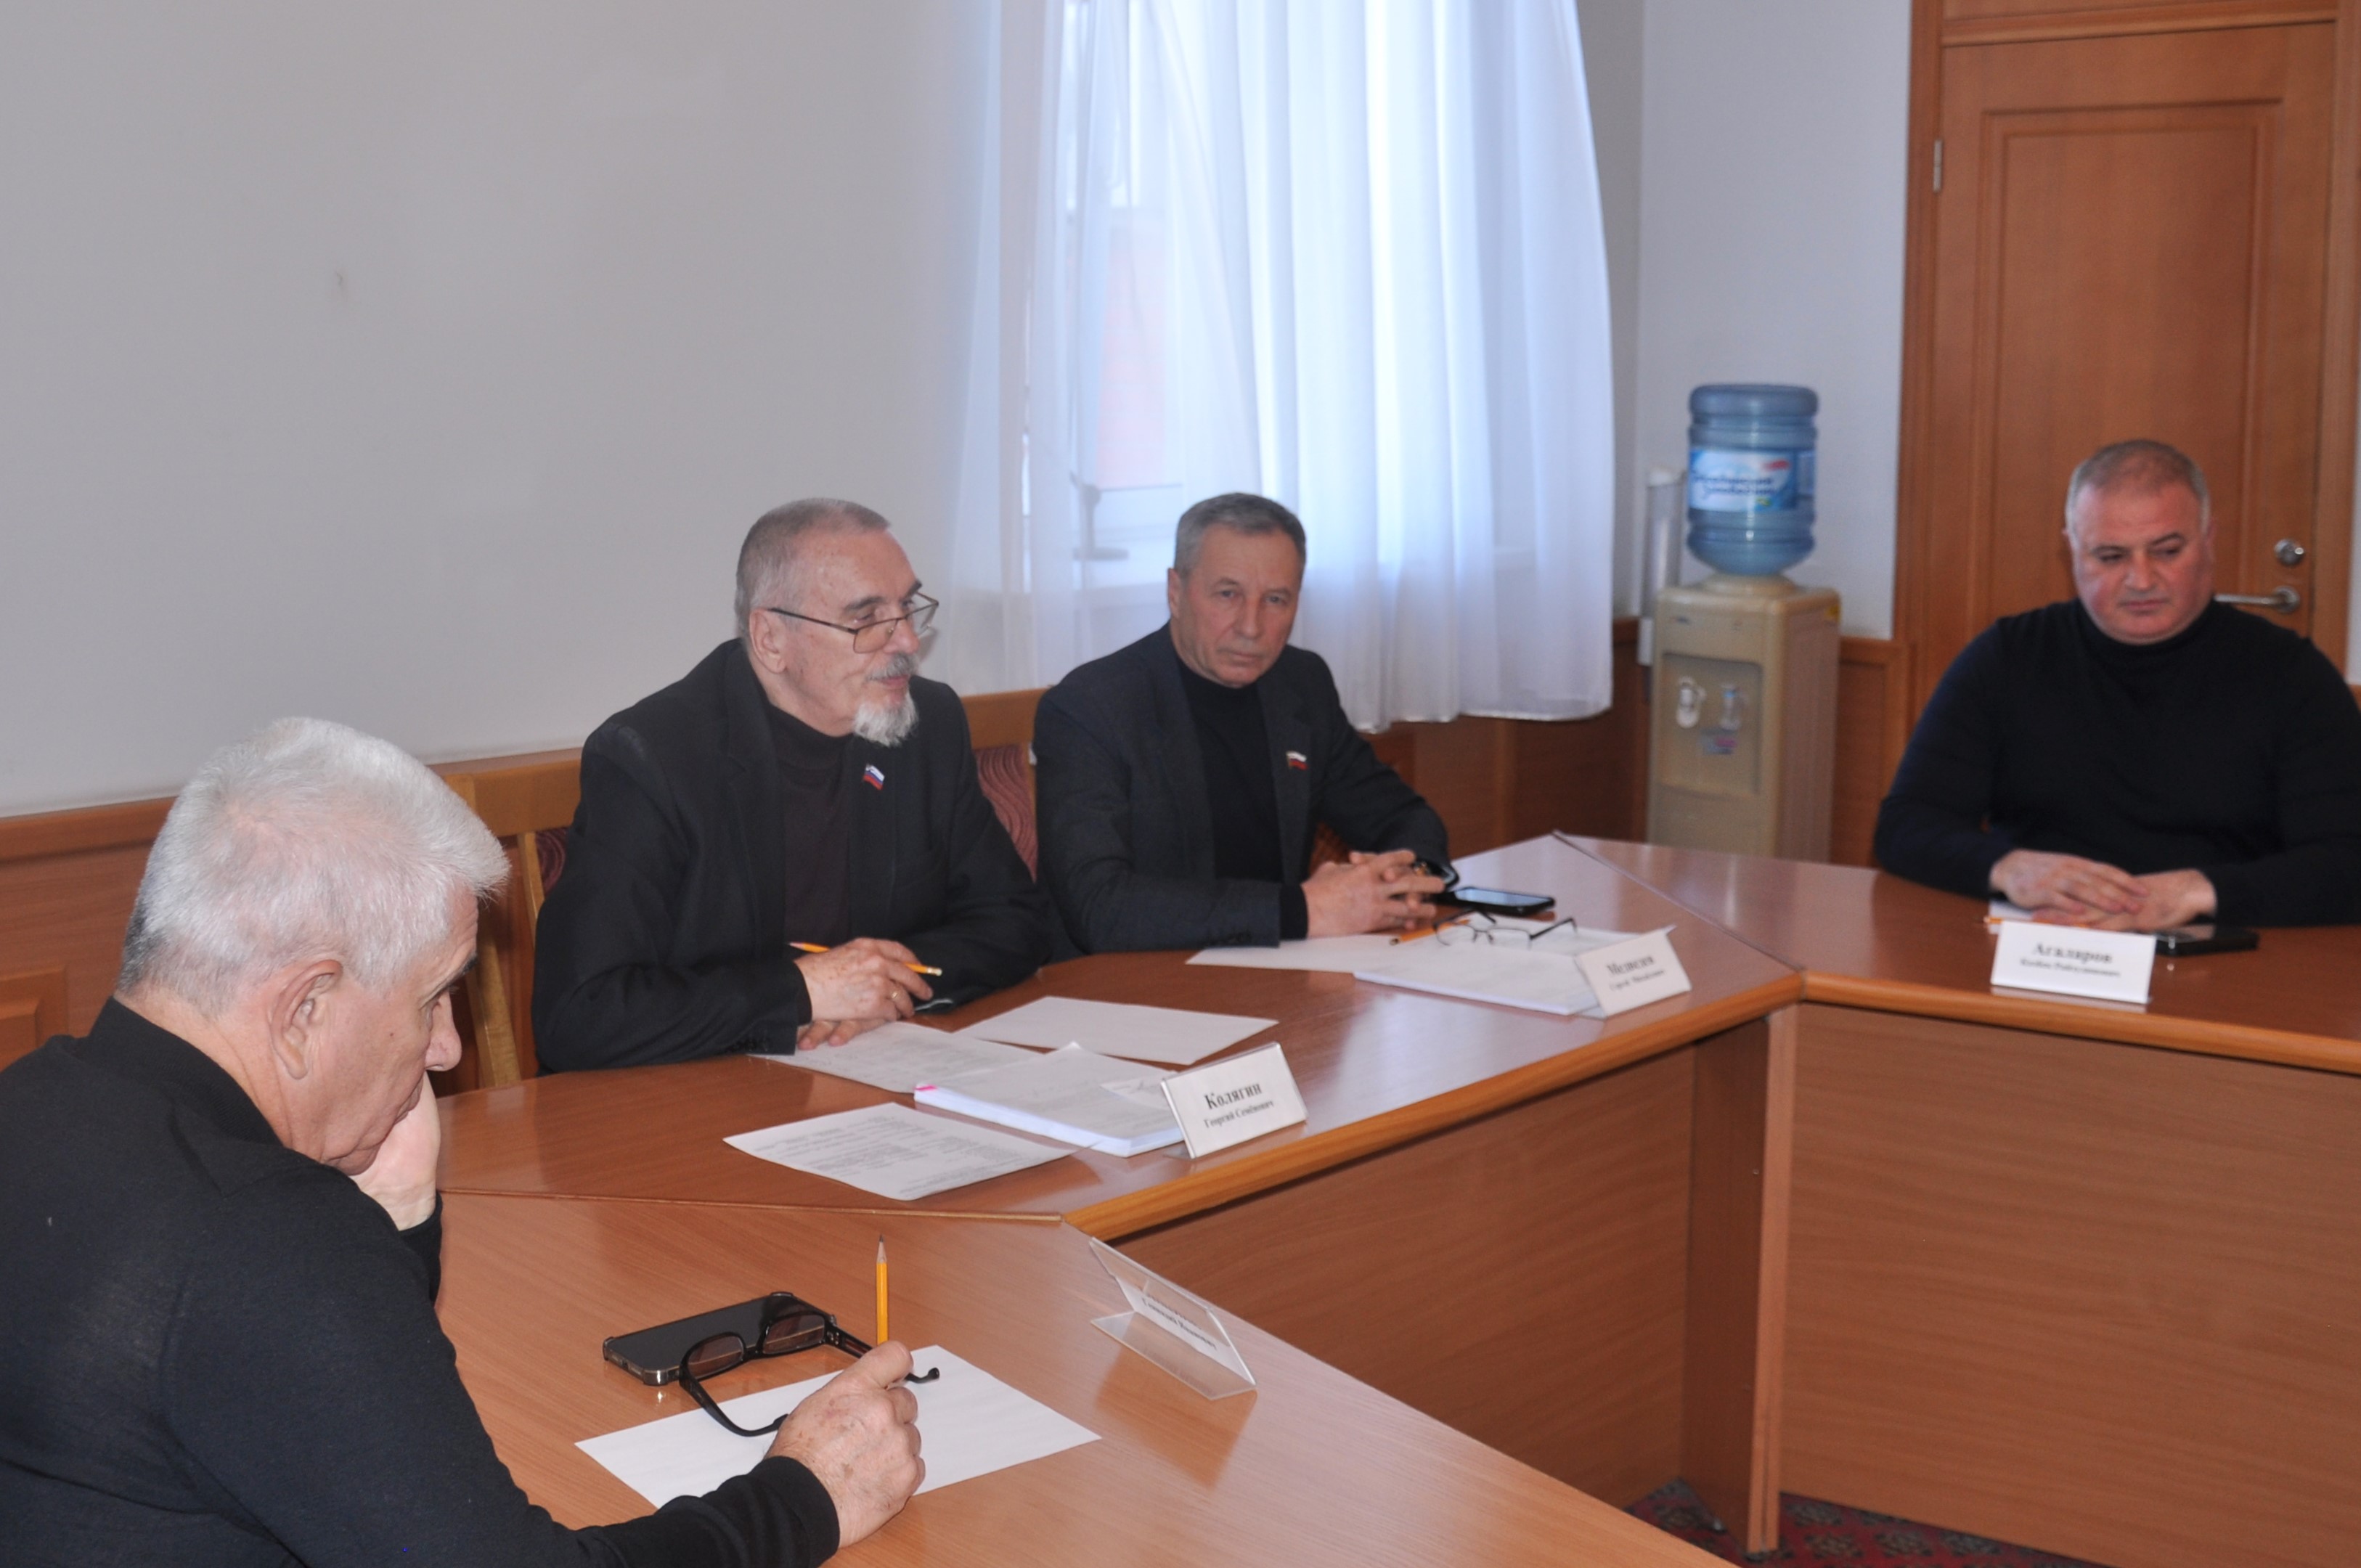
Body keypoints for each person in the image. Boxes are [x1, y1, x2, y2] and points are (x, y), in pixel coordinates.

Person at [0, 718, 923, 1567]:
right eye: (434, 995)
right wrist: (803, 1496)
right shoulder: (263, 1245)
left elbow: (332, 1443)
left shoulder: (33, 1104)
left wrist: (399, 1225)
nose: (445, 1049)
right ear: (304, 1009)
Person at [534, 499, 1052, 1068]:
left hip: (873, 1068)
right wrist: (802, 993)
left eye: (907, 607)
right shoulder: (654, 758)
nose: (906, 641)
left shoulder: (927, 725)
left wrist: (878, 986)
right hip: (703, 1094)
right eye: (867, 619)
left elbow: (1015, 920)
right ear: (771, 639)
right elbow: (581, 1013)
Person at [1875, 439, 2361, 928]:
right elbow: (1905, 826)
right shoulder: (2008, 657)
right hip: (2047, 941)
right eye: (2111, 557)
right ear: (2072, 550)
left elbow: (2347, 861)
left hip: (2221, 947)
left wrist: (2195, 892)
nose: (2141, 580)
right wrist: (2007, 867)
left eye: (2167, 552)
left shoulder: (2290, 675)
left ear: (2208, 540)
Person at [1034, 491, 1451, 953]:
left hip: (1277, 965)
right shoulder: (1092, 708)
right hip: (1131, 980)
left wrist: (1403, 881)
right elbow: (1100, 907)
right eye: (1228, 594)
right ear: (1176, 592)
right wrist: (1302, 910)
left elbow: (1402, 817)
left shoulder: (1302, 684)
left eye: (1275, 599)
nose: (1251, 627)